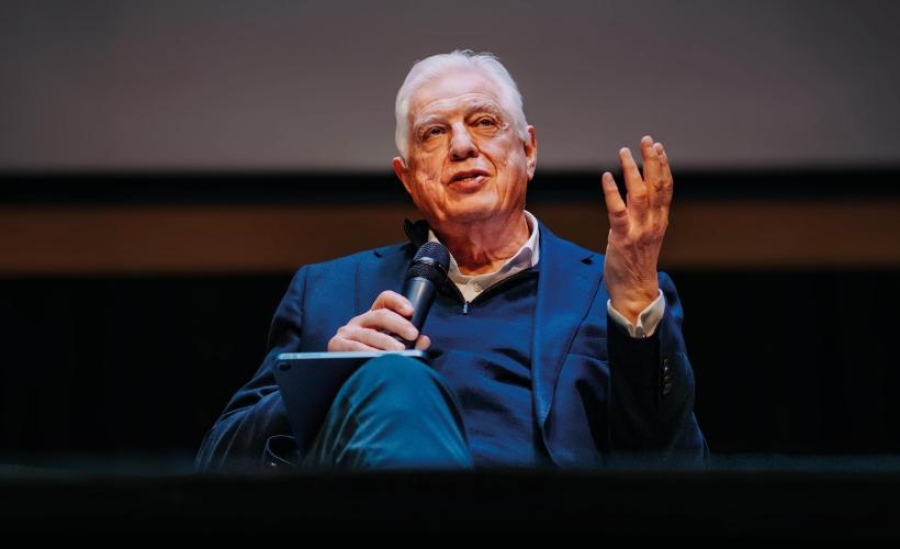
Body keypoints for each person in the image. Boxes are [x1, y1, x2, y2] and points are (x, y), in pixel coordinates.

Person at [196, 50, 707, 472]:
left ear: (528, 150)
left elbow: (678, 470)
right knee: (396, 381)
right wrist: (325, 382)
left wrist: (636, 309)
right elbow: (218, 462)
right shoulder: (328, 291)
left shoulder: (611, 293)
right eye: (434, 133)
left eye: (484, 122)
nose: (462, 146)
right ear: (407, 177)